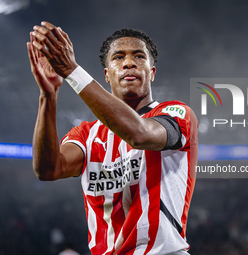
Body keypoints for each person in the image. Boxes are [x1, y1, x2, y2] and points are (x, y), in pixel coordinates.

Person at [27, 21, 198, 255]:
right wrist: (48, 96)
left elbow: (138, 135)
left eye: (139, 56)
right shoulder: (85, 134)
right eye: (118, 57)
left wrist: (72, 71)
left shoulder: (176, 113)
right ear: (107, 75)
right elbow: (48, 170)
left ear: (152, 72)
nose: (129, 63)